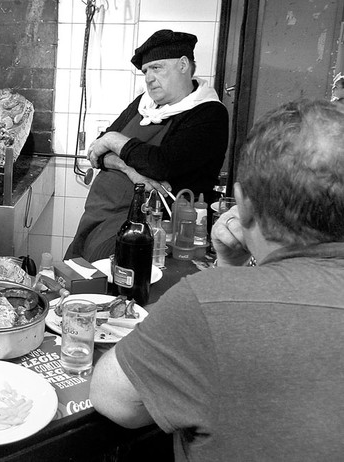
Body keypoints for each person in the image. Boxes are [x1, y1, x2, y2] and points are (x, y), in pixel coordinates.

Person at [89, 99, 344, 461]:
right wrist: (230, 268)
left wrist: (224, 283)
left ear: (245, 204)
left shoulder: (206, 304)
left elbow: (113, 399)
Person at [65, 29, 228, 262]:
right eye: (146, 71)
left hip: (156, 230)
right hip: (100, 216)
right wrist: (129, 170)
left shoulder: (209, 113)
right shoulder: (144, 104)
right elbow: (96, 151)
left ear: (183, 65)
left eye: (157, 68)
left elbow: (162, 165)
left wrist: (114, 141)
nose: (149, 78)